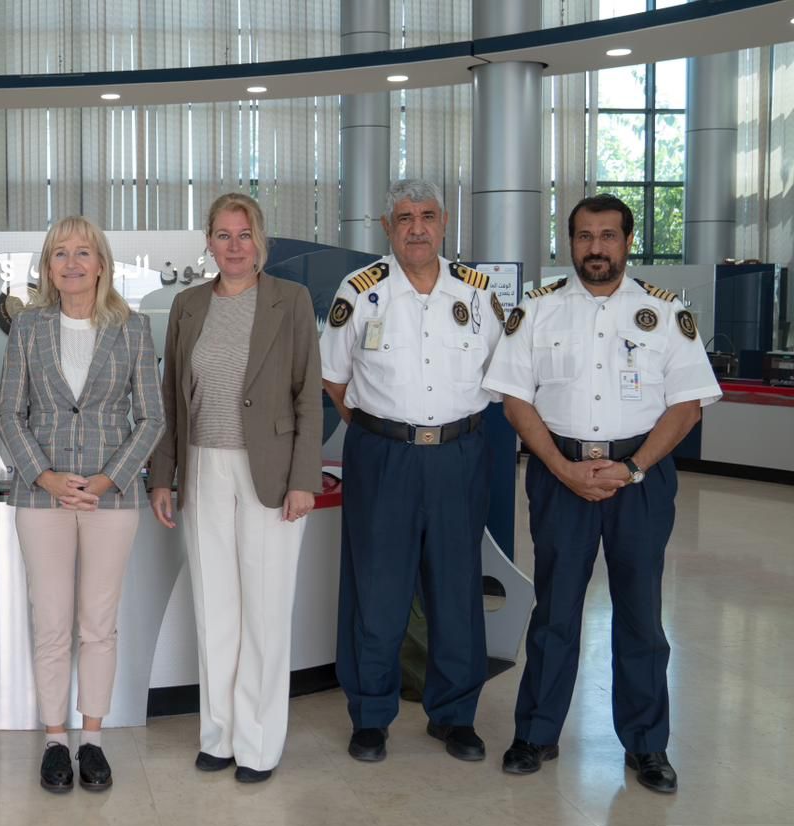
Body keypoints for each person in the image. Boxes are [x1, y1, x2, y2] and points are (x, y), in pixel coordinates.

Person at [482, 194, 720, 794]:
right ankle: (536, 733)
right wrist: (562, 468)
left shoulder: (665, 313)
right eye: (584, 236)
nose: (596, 248)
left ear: (627, 242)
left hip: (640, 477)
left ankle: (647, 744)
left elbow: (687, 406)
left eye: (608, 235)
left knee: (640, 614)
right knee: (555, 611)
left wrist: (633, 468)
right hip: (558, 471)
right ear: (570, 242)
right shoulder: (537, 310)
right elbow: (515, 399)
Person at [320, 178, 503, 764]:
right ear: (387, 227)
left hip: (459, 455)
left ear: (444, 224)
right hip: (383, 457)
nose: (417, 228)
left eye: (427, 216)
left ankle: (454, 715)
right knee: (377, 589)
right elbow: (333, 378)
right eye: (404, 218)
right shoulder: (361, 292)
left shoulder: (477, 294)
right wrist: (382, 429)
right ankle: (371, 716)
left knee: (457, 587)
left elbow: (504, 374)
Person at [147, 193, 322, 783]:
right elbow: (172, 398)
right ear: (208, 243)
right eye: (223, 235)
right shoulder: (188, 305)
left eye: (244, 234)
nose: (234, 246)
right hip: (203, 468)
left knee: (265, 611)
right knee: (214, 608)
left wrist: (303, 480)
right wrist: (163, 475)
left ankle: (259, 744)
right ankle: (218, 735)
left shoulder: (290, 301)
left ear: (260, 239)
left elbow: (308, 394)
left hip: (270, 471)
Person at [0, 215, 164, 793]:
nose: (71, 262)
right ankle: (54, 741)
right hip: (40, 496)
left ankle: (91, 739)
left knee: (98, 624)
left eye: (83, 252)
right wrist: (44, 476)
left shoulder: (133, 328)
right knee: (50, 624)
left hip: (109, 499)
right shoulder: (28, 327)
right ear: (48, 266)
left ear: (101, 264)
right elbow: (8, 413)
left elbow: (152, 417)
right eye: (60, 253)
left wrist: (108, 479)